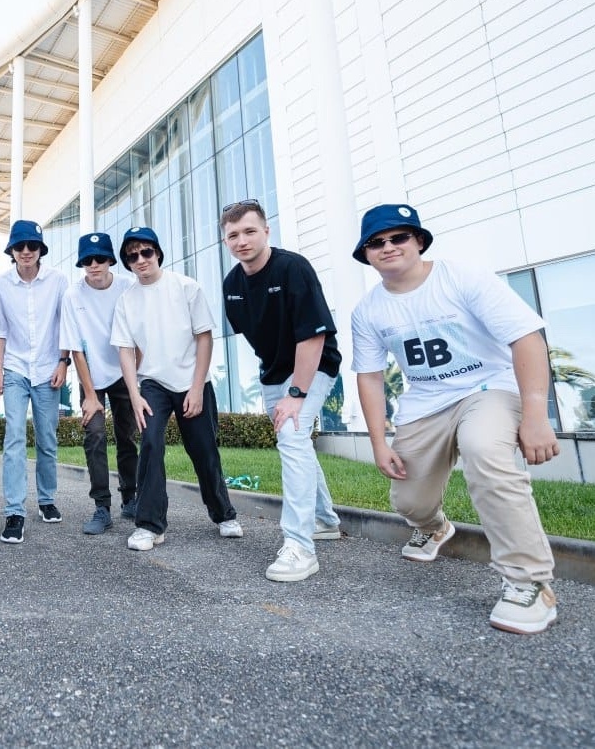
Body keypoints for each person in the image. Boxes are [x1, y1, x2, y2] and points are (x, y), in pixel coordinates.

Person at [351, 203, 560, 634]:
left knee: (485, 452)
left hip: (487, 388)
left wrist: (536, 414)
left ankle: (529, 582)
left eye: (398, 237)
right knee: (409, 502)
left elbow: (526, 338)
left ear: (418, 241)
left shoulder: (462, 278)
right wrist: (378, 442)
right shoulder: (368, 310)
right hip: (425, 402)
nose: (388, 247)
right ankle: (433, 528)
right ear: (366, 254)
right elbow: (370, 377)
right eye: (376, 242)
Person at [221, 200, 343, 582]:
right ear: (225, 241)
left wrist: (296, 393)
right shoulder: (231, 286)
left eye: (249, 231)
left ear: (266, 231)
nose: (242, 240)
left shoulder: (293, 268)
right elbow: (257, 337)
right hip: (274, 373)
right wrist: (277, 383)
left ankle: (300, 546)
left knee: (292, 435)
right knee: (295, 441)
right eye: (233, 235)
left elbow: (313, 336)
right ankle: (324, 520)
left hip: (313, 365)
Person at [110, 226, 241, 551]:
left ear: (157, 253)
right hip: (152, 383)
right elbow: (125, 350)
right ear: (127, 262)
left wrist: (196, 388)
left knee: (204, 450)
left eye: (146, 252)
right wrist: (134, 395)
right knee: (151, 445)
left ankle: (224, 514)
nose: (141, 259)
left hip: (191, 380)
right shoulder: (126, 301)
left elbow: (204, 338)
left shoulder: (186, 287)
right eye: (132, 256)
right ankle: (149, 525)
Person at [0, 220, 70, 544]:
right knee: (14, 437)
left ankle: (47, 499)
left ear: (40, 250)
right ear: (12, 250)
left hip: (49, 369)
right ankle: (14, 512)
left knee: (47, 439)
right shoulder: (0, 284)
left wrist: (63, 362)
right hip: (15, 368)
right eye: (20, 246)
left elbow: (65, 324)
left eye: (32, 246)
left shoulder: (58, 280)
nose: (26, 251)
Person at [59, 232, 137, 535]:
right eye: (87, 260)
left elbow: (138, 336)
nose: (94, 265)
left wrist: (135, 379)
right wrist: (90, 395)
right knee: (94, 435)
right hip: (91, 374)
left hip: (125, 371)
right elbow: (75, 348)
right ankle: (102, 507)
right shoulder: (72, 295)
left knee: (127, 435)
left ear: (110, 261)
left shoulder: (127, 287)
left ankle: (130, 498)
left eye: (100, 259)